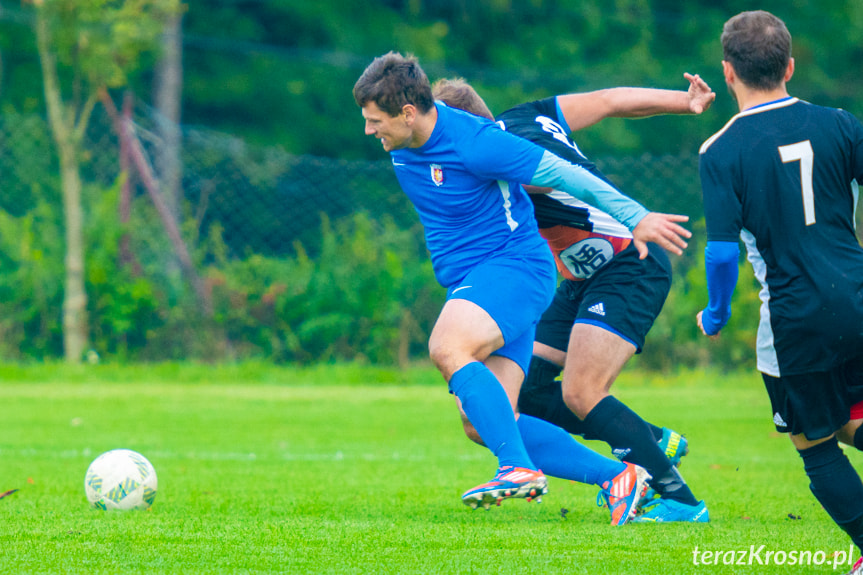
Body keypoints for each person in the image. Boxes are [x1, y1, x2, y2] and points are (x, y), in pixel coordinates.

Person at [353, 51, 692, 524]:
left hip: (511, 270)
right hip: (480, 280)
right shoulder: (406, 142)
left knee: (447, 348)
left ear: (408, 113)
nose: (369, 131)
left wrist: (636, 216)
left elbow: (565, 174)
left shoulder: (477, 143)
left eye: (375, 121)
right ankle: (619, 478)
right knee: (484, 422)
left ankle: (517, 469)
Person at [432, 75, 712, 523]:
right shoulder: (527, 114)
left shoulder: (498, 155)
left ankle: (679, 501)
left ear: (458, 126)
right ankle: (647, 439)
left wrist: (630, 214)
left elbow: (557, 173)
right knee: (520, 393)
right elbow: (609, 99)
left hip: (630, 261)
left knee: (583, 391)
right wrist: (684, 101)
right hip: (582, 279)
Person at [696, 10, 863, 572]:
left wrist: (715, 314)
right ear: (789, 65)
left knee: (814, 443)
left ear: (727, 73)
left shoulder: (720, 151)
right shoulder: (841, 123)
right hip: (857, 299)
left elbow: (720, 252)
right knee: (849, 420)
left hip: (795, 318)